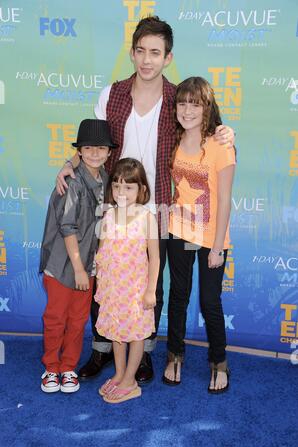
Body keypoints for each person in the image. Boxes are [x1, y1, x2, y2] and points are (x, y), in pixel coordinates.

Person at [55, 16, 235, 384]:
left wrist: (227, 131)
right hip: (114, 207)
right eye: (141, 51)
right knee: (105, 276)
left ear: (168, 57)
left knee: (152, 285)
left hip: (164, 211)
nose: (147, 60)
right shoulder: (112, 94)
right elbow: (95, 141)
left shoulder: (177, 99)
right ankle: (102, 349)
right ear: (133, 53)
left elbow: (205, 130)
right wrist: (70, 162)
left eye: (156, 52)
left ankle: (144, 353)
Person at [162, 77, 236, 393]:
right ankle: (174, 355)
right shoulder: (171, 139)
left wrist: (217, 247)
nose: (187, 110)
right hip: (178, 232)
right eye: (182, 103)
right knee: (178, 297)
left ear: (207, 107)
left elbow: (224, 201)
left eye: (195, 103)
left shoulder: (221, 144)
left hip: (211, 239)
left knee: (209, 302)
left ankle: (219, 363)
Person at [39, 119, 117, 393]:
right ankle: (51, 367)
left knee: (78, 319)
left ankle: (68, 366)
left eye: (101, 148)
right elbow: (67, 227)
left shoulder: (107, 180)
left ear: (109, 152)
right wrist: (80, 269)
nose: (95, 153)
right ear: (79, 152)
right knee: (56, 317)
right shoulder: (72, 181)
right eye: (88, 148)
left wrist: (92, 266)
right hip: (63, 266)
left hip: (88, 265)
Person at [94, 158, 159, 403]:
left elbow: (155, 259)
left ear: (141, 189)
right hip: (112, 289)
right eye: (117, 186)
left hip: (135, 291)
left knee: (135, 335)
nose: (122, 192)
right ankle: (120, 374)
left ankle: (131, 380)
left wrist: (150, 290)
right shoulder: (108, 215)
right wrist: (101, 283)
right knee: (116, 334)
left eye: (128, 187)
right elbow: (102, 253)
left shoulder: (147, 218)